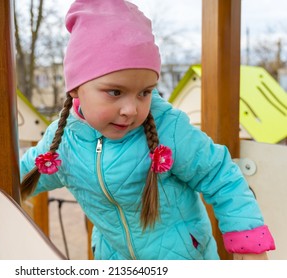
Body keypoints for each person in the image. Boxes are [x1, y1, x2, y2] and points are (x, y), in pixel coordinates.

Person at [20, 0, 275, 260]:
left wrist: (250, 245)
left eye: (145, 92)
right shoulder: (63, 141)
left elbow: (219, 174)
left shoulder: (168, 128)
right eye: (115, 92)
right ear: (75, 87)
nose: (131, 109)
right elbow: (20, 175)